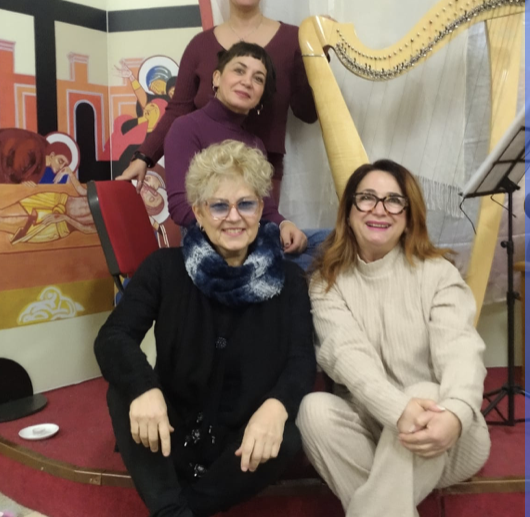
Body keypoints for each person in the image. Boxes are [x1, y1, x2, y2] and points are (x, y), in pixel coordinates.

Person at [94, 140, 316, 517]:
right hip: (170, 429)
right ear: (198, 212)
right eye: (219, 205)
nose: (234, 217)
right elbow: (113, 337)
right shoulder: (164, 268)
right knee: (124, 390)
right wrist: (144, 388)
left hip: (243, 441)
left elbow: (301, 360)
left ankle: (180, 510)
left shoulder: (290, 280)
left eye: (246, 204)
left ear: (261, 209)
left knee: (289, 433)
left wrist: (276, 406)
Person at [296, 159, 490, 517]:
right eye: (367, 198)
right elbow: (348, 358)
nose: (379, 209)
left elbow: (461, 351)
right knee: (313, 411)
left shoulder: (438, 274)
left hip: (445, 434)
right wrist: (399, 411)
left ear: (409, 216)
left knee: (425, 392)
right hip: (373, 430)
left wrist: (456, 413)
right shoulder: (327, 282)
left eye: (394, 201)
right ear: (349, 212)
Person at [118, 0, 317, 204]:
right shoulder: (200, 45)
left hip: (262, 173)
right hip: (205, 172)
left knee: (260, 229)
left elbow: (307, 113)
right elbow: (178, 110)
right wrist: (144, 156)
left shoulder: (293, 40)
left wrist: (317, 58)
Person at [164, 41, 310, 255]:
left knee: (331, 244)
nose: (247, 82)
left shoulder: (255, 144)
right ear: (216, 78)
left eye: (258, 78)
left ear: (261, 94)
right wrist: (236, 226)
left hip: (252, 237)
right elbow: (181, 208)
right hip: (209, 246)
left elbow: (266, 209)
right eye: (239, 71)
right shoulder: (186, 128)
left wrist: (284, 225)